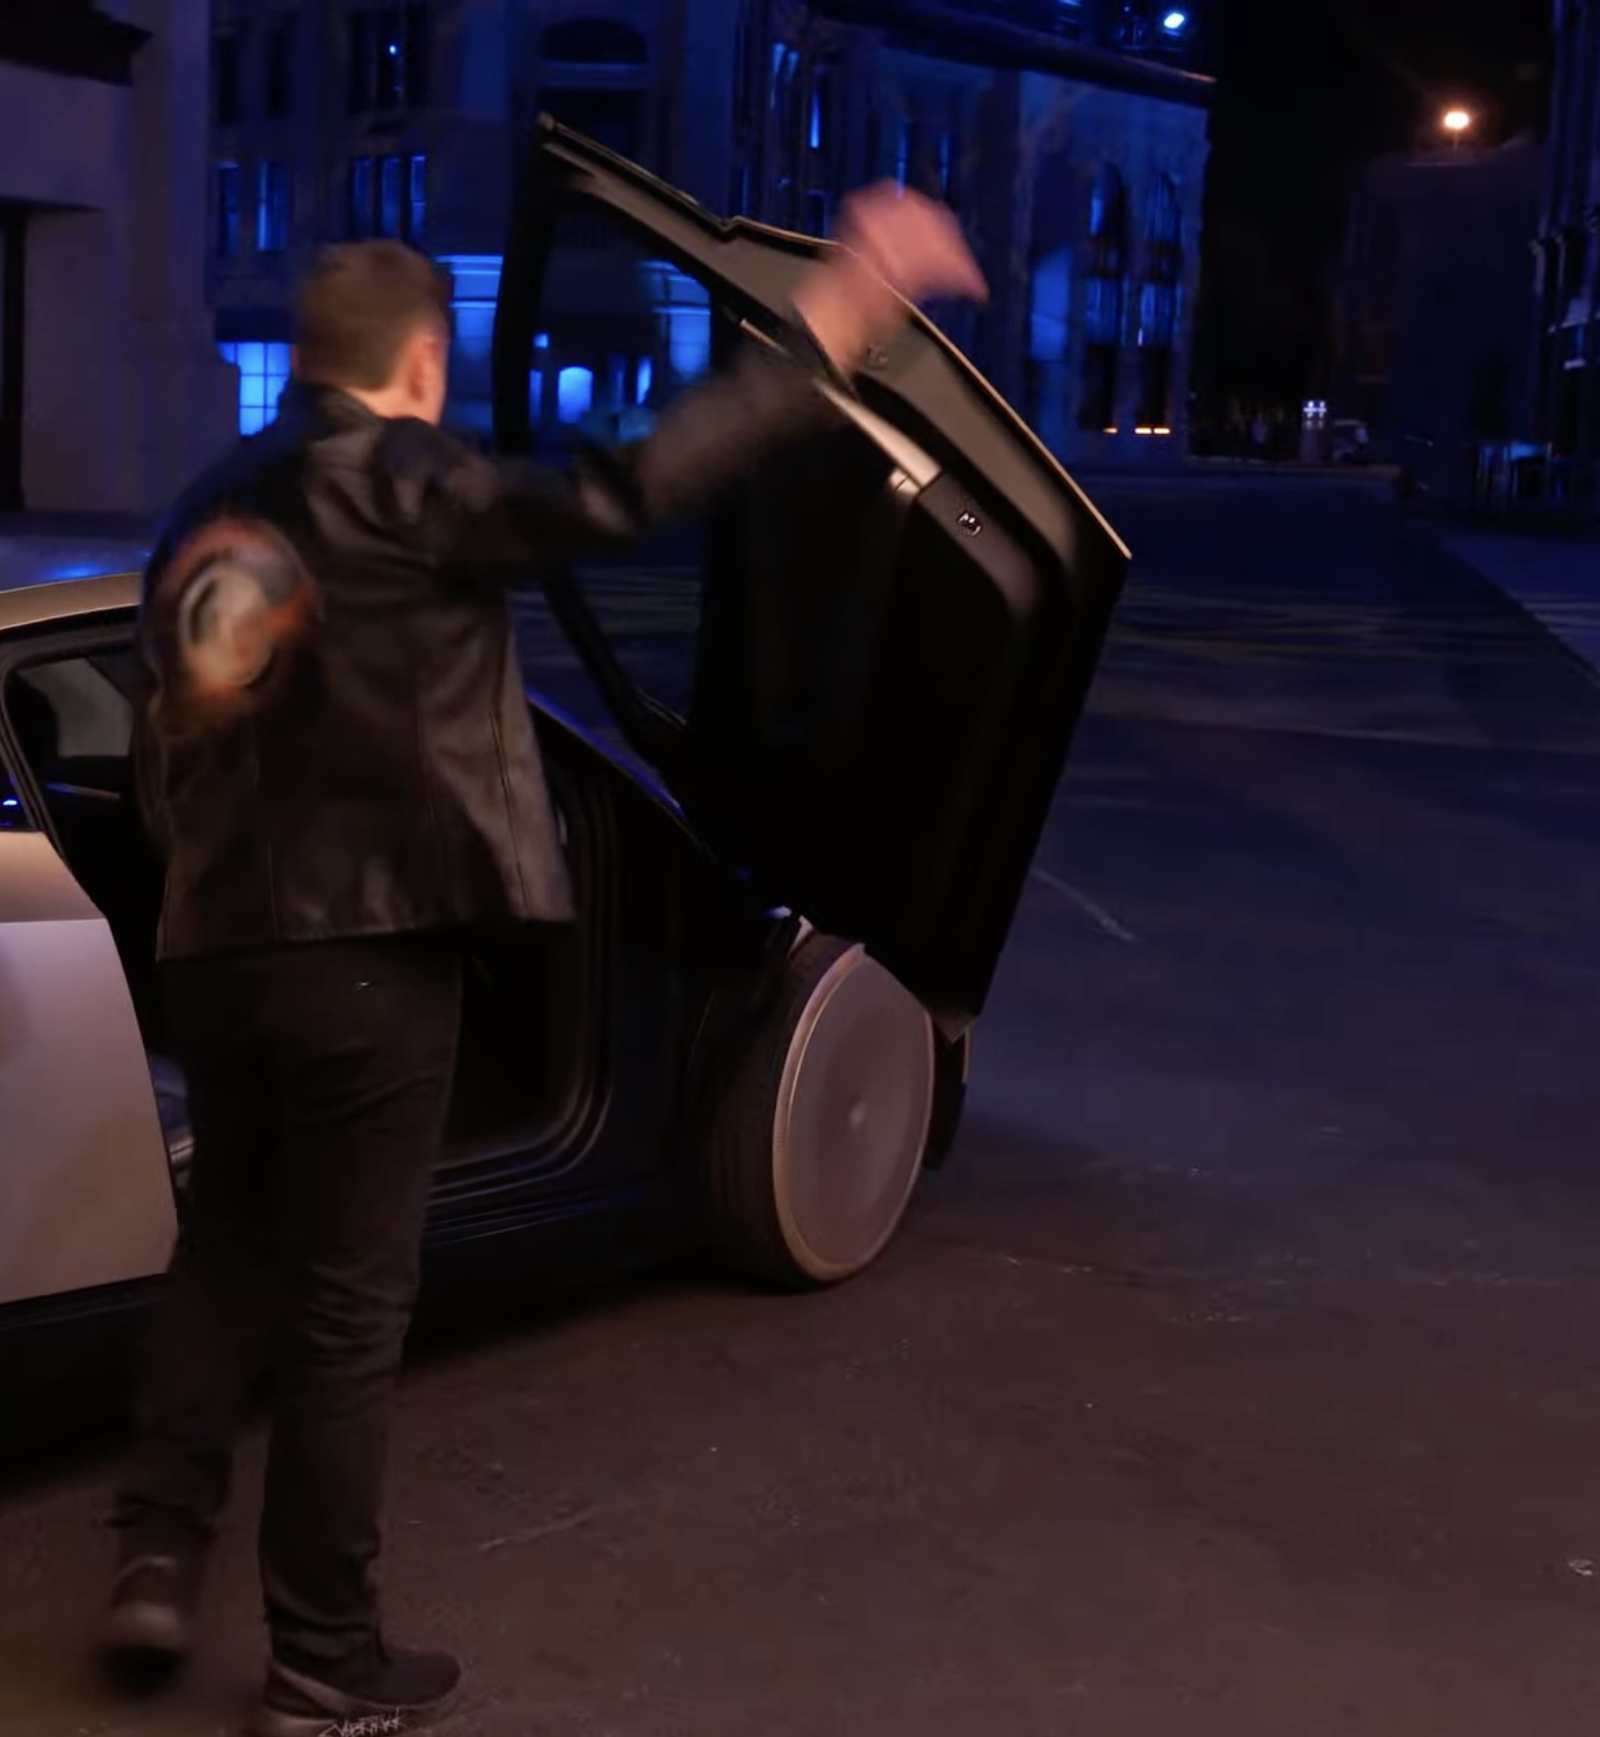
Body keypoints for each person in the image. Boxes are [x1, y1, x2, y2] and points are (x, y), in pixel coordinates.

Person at [103, 183, 987, 1737]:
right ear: (421, 363)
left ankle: (155, 1563)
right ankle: (321, 1662)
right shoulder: (405, 478)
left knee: (225, 1248)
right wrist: (832, 321)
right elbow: (617, 487)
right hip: (368, 950)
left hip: (215, 949)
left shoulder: (205, 506)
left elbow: (162, 740)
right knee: (347, 1306)